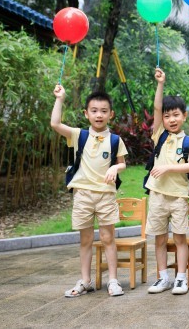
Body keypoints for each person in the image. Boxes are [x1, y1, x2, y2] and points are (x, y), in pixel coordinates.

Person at [51, 86, 128, 297]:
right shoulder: (79, 135)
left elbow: (122, 164)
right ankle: (85, 281)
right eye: (94, 110)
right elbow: (55, 123)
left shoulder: (115, 140)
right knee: (85, 239)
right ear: (86, 113)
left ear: (111, 114)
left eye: (104, 111)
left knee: (107, 237)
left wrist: (115, 167)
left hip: (106, 194)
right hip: (83, 194)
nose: (99, 115)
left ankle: (113, 281)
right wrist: (60, 98)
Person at [145, 68, 189, 296]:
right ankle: (162, 277)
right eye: (167, 116)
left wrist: (167, 167)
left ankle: (180, 278)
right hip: (157, 195)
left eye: (176, 115)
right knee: (159, 239)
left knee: (179, 238)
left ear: (184, 116)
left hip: (179, 196)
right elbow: (157, 108)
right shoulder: (159, 135)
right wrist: (161, 83)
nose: (171, 119)